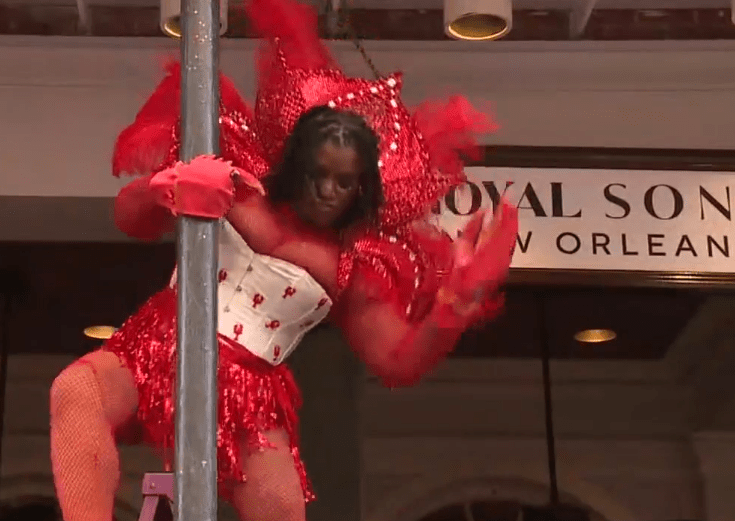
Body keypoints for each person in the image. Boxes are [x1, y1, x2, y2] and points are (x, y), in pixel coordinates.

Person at [49, 1, 518, 521]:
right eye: (318, 173)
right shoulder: (237, 177)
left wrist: (453, 307)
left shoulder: (353, 267)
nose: (327, 191)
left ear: (363, 188)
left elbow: (397, 361)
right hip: (162, 338)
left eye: (344, 182)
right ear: (295, 163)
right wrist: (163, 189)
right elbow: (130, 219)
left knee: (281, 510)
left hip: (252, 389)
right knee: (76, 392)